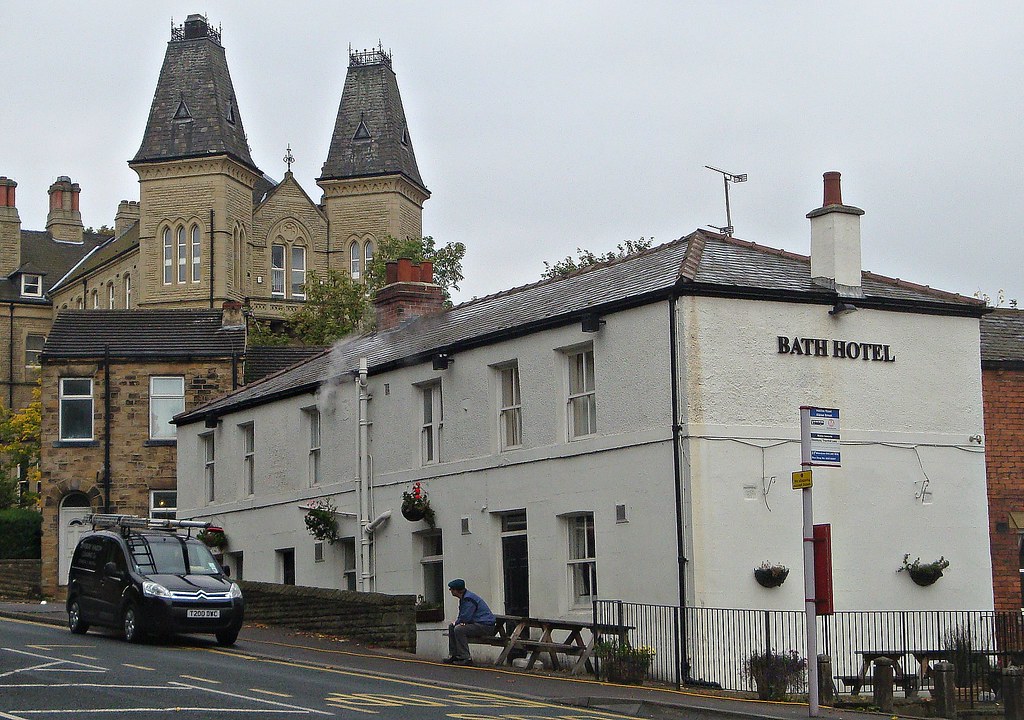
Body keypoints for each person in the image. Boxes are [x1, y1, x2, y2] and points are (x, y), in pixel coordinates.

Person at [444, 578, 495, 665]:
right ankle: (454, 654)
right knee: (452, 627)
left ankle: (465, 657)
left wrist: (458, 622)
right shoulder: (465, 598)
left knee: (459, 629)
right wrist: (458, 622)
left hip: (485, 626)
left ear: (457, 590)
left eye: (452, 589)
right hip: (478, 624)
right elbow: (463, 616)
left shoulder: (469, 599)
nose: (450, 590)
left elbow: (466, 616)